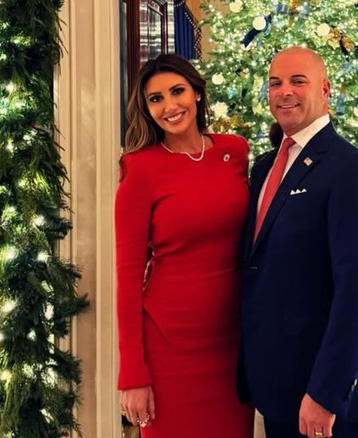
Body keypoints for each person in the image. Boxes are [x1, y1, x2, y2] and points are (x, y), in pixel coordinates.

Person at [238, 47, 358, 438]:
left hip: (327, 397)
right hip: (278, 386)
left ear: (325, 90)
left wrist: (325, 393)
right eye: (275, 83)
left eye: (297, 81)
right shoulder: (264, 167)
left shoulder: (352, 170)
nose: (284, 91)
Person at [115, 53, 254, 438]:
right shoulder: (139, 168)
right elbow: (127, 277)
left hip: (233, 343)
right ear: (145, 109)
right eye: (155, 99)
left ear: (196, 93)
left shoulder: (235, 152)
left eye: (177, 91)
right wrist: (132, 373)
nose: (169, 106)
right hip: (169, 347)